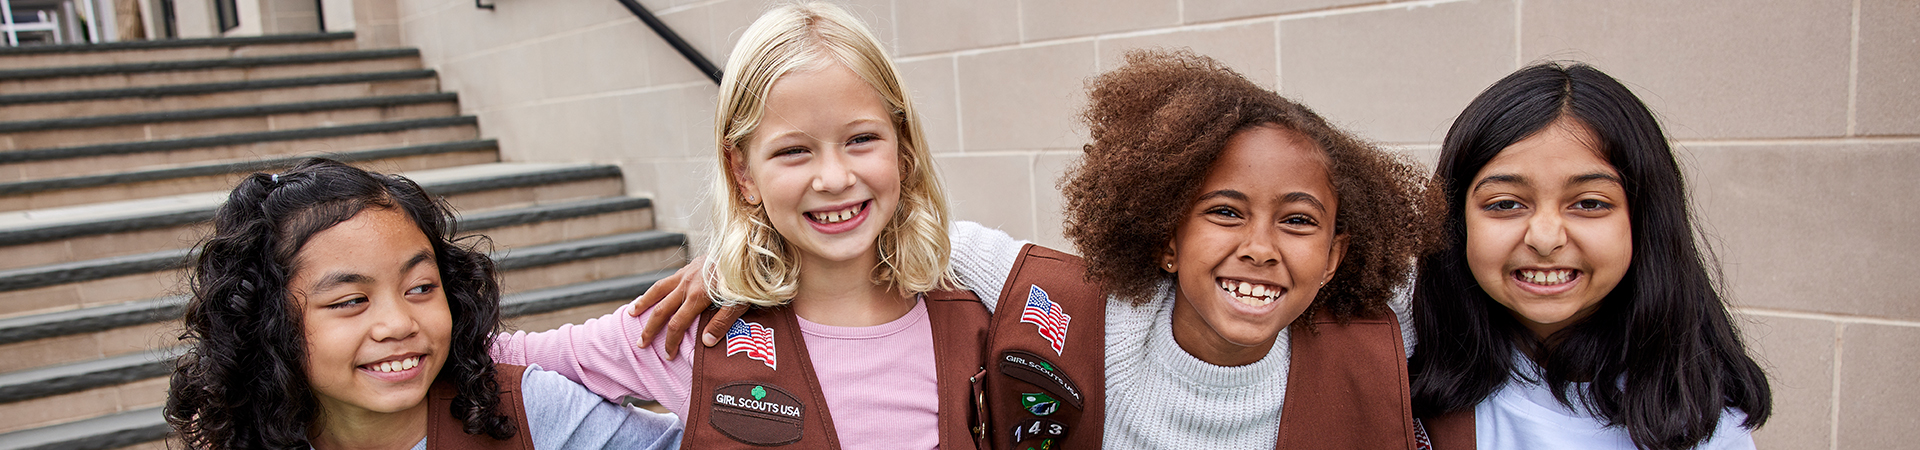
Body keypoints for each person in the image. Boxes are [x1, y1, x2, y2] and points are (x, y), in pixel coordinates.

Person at [637, 49, 1446, 449]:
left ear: (1339, 255)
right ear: (1165, 234)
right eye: (1224, 212)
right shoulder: (1085, 306)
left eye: (1299, 222)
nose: (1261, 247)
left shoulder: (1379, 339)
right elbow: (879, 215)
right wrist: (747, 256)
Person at [488, 2, 987, 449]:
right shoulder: (693, 332)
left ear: (902, 148)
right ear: (743, 173)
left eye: (861, 139)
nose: (835, 178)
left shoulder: (976, 311)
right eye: (794, 150)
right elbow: (507, 360)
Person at [164, 158, 682, 450]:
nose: (397, 323)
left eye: (420, 288)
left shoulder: (525, 410)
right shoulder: (237, 438)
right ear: (265, 322)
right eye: (350, 301)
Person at [1407, 62, 1772, 450]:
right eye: (1506, 204)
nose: (1545, 239)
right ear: (1455, 223)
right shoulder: (1400, 380)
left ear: (1644, 219)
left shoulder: (1699, 421)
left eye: (1590, 203)